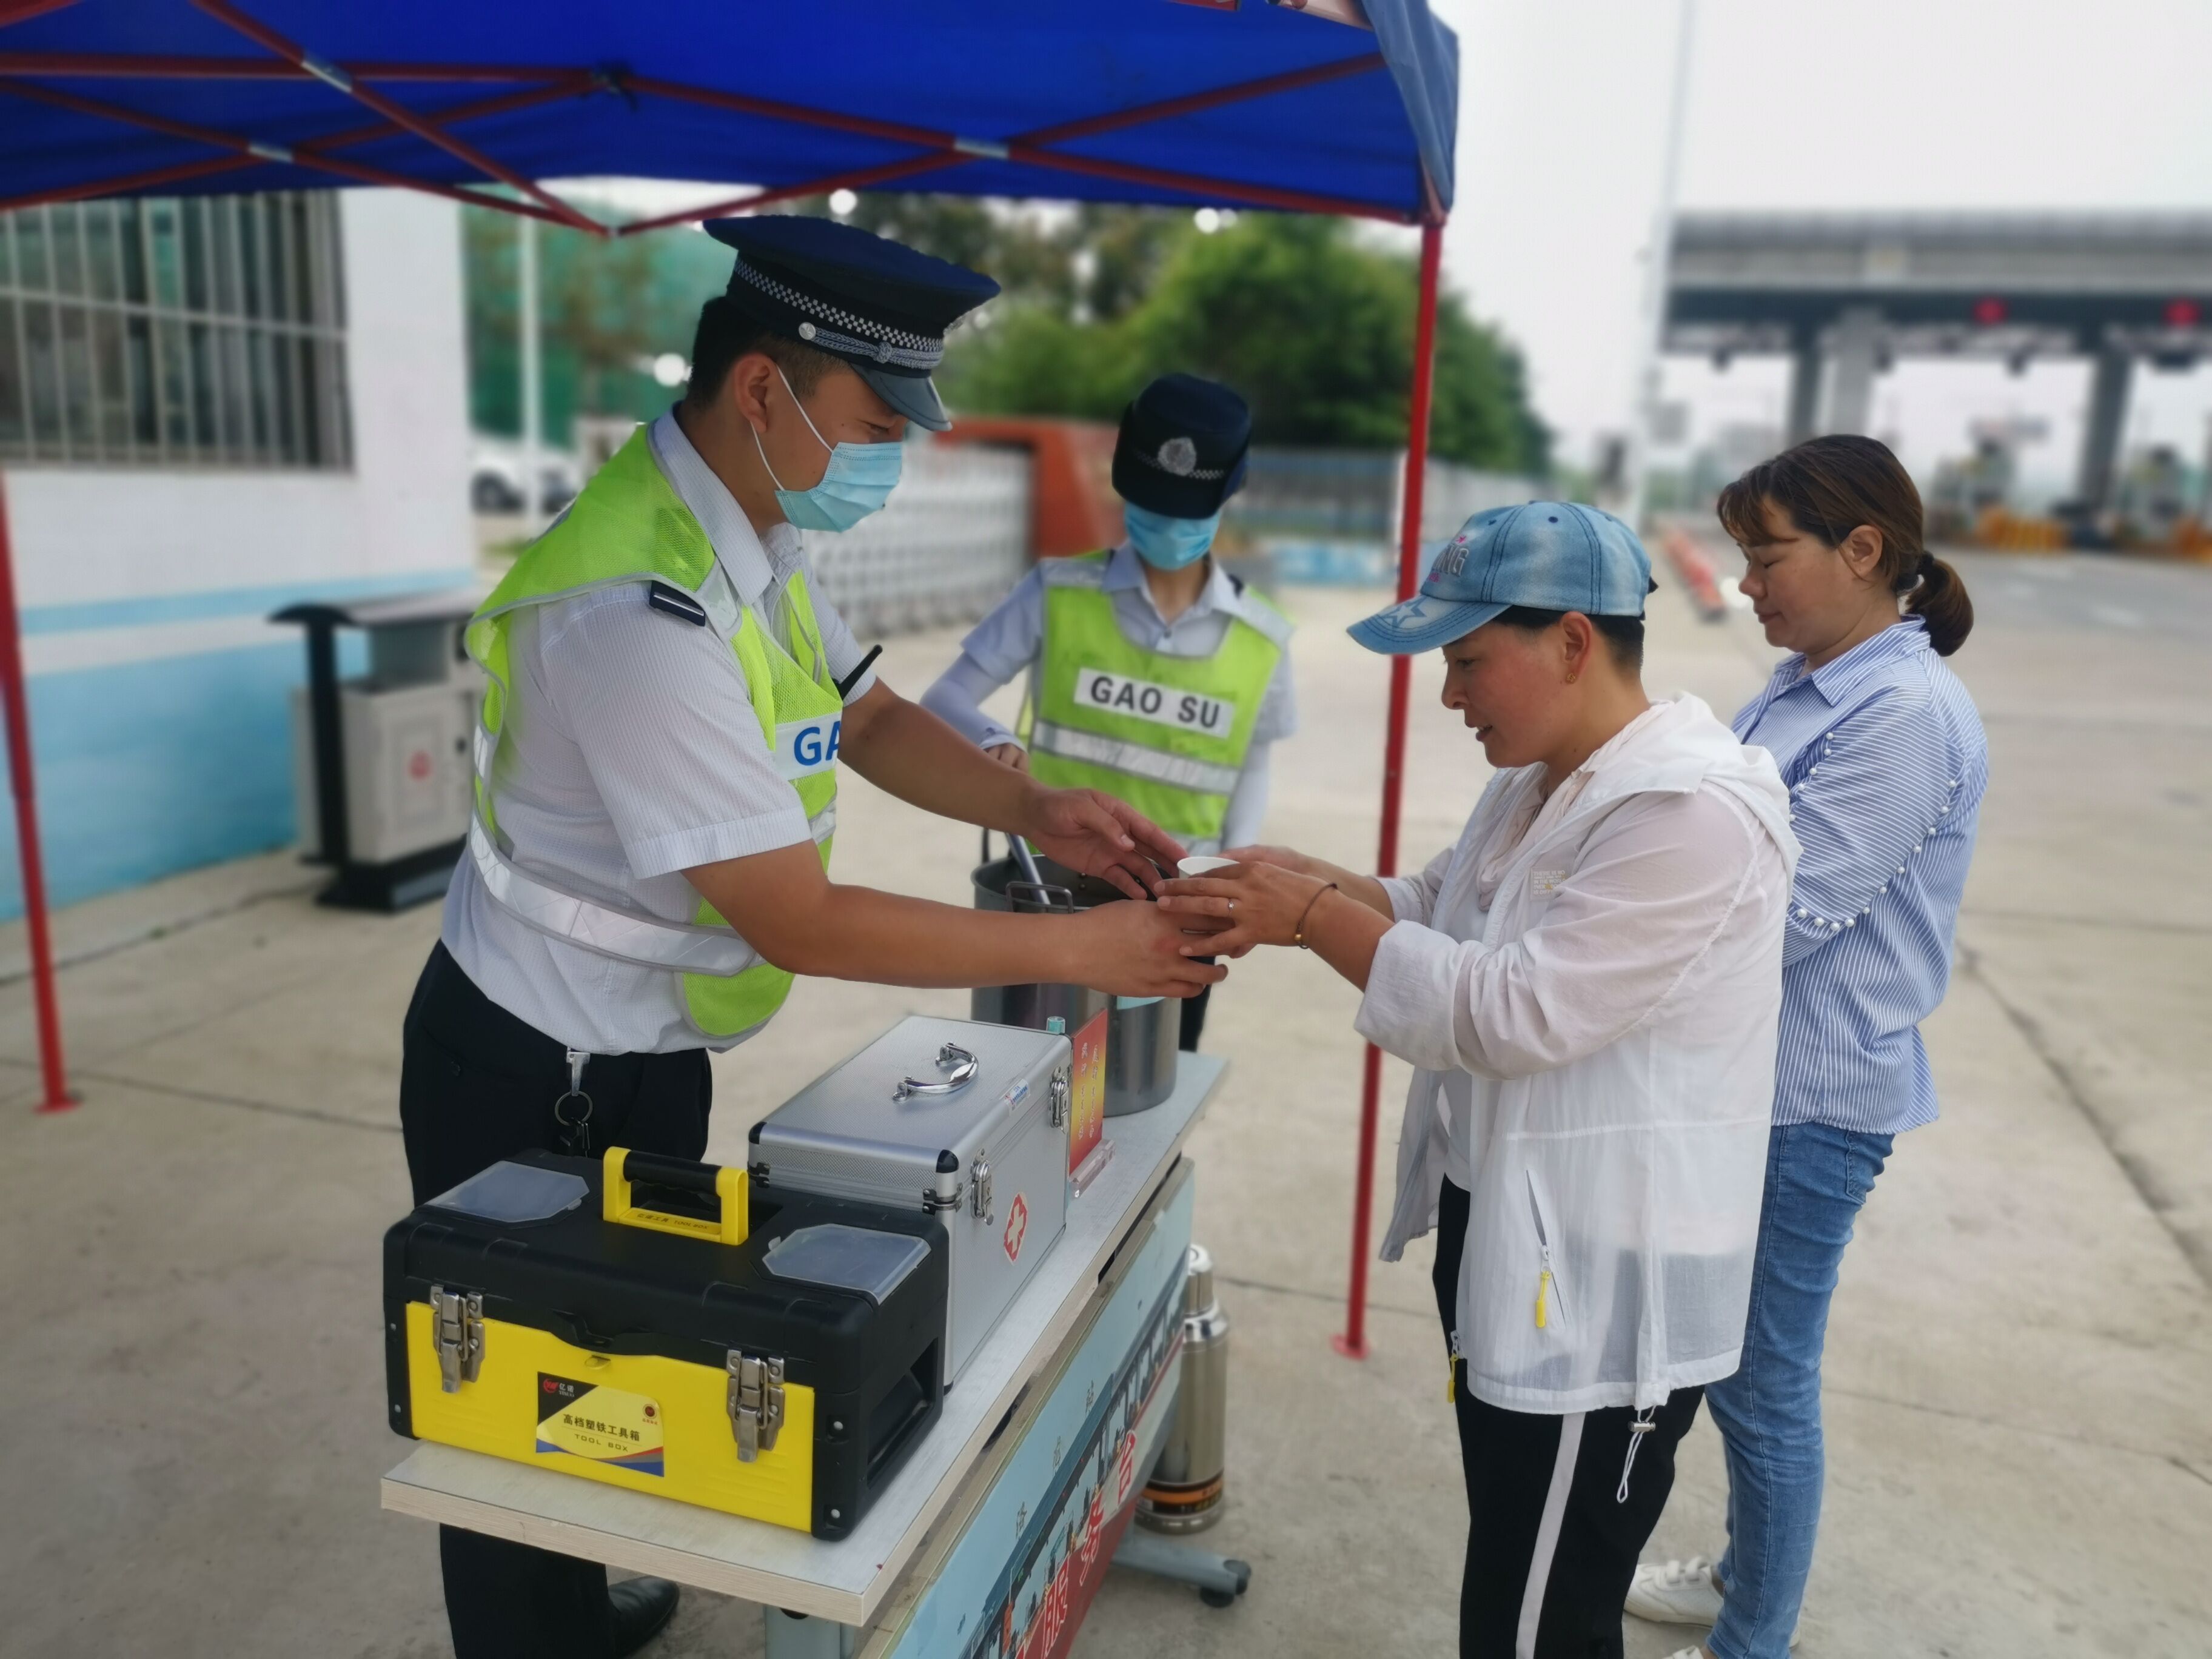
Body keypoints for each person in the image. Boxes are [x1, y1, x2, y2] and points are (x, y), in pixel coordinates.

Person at [402, 215, 1221, 1659]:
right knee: (509, 1404)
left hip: (644, 1043)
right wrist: (1087, 952)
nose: (887, 457)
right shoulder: (632, 615)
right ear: (762, 390)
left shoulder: (748, 531)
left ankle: (582, 1599)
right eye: (873, 424)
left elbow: (871, 715)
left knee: (615, 1354)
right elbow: (798, 916)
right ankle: (535, 1632)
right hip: (530, 1061)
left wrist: (1040, 806)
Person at [1157, 502, 1800, 1659]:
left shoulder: (1687, 813)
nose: (1449, 695)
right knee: (1512, 1555)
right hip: (1516, 1226)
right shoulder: (1547, 775)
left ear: (1570, 642)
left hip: (1605, 1277)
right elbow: (1440, 907)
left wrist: (1308, 915)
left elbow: (1515, 1008)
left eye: (1466, 661)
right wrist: (1302, 881)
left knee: (1537, 1618)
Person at [1624, 435, 1987, 1659]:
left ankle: (1754, 1638)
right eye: (1741, 557)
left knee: (1761, 1384)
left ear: (1863, 550)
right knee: (1730, 1366)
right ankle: (1742, 1579)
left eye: (1768, 556)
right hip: (1743, 1087)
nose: (1747, 584)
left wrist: (1606, 953)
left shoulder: (1905, 715)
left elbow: (1782, 915)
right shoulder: (1802, 682)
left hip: (1808, 1104)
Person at [920, 373, 1294, 1050]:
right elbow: (943, 699)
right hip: (1051, 897)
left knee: (1152, 1087)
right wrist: (992, 737)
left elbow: (1252, 768)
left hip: (1180, 907)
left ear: (1229, 495)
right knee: (1032, 1084)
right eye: (1154, 505)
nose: (1169, 525)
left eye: (1188, 510)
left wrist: (1227, 879)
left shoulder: (1262, 638)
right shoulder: (1056, 592)